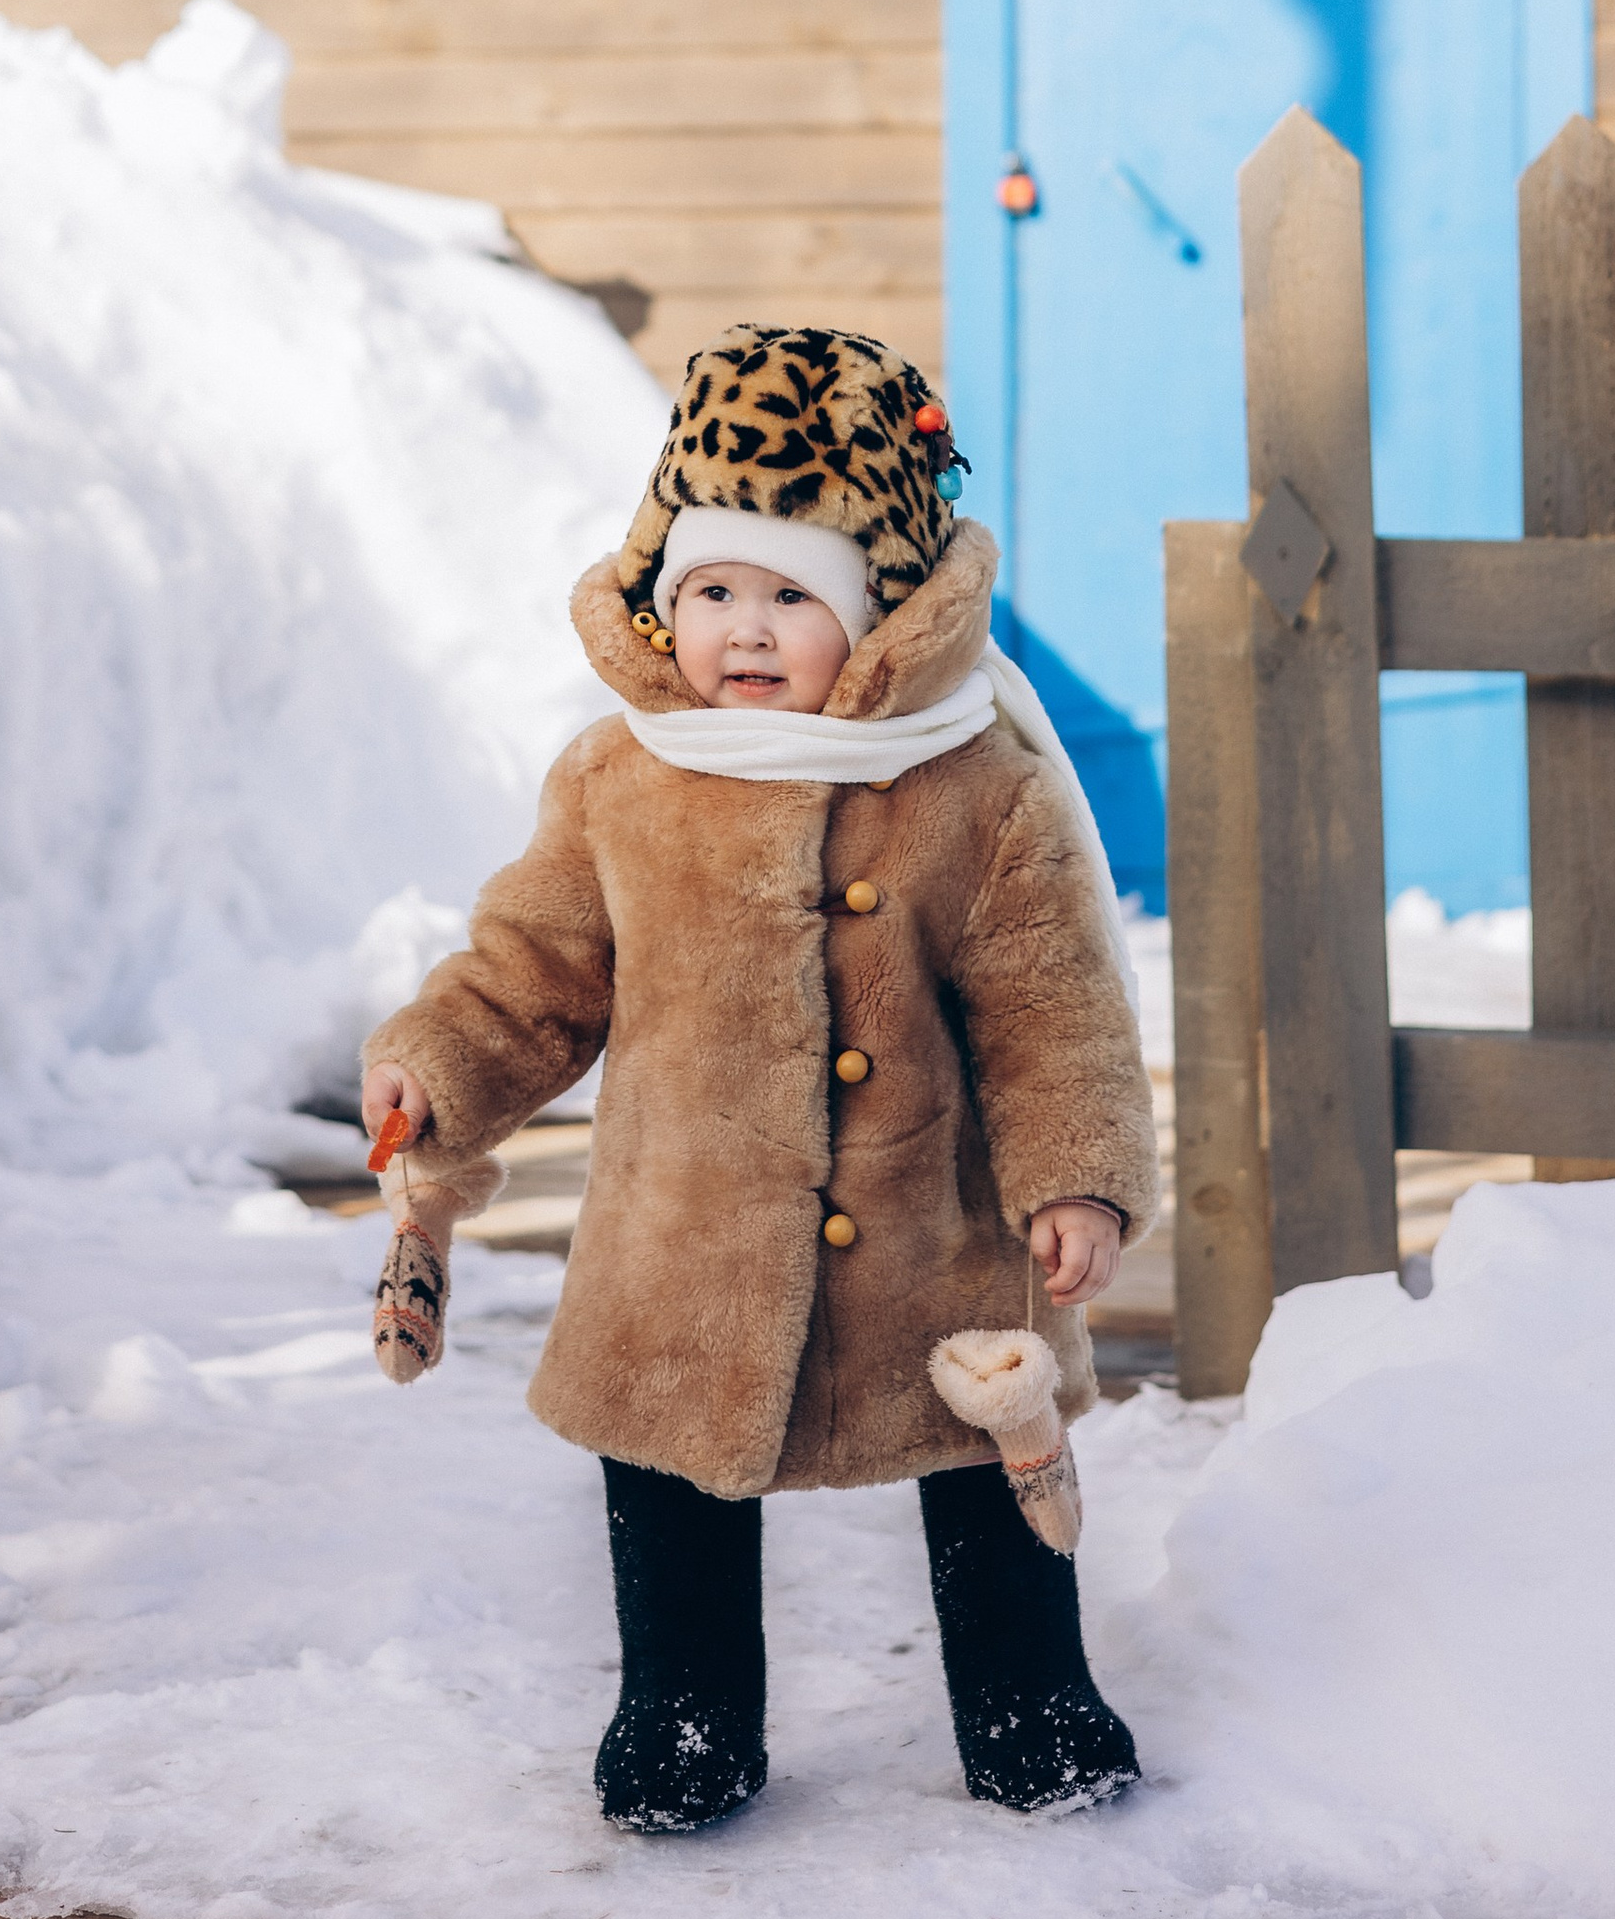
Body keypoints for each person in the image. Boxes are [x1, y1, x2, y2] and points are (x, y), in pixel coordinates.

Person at [361, 321, 1160, 1830]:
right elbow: (534, 970)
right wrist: (436, 1067)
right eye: (712, 590)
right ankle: (685, 1718)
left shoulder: (972, 780)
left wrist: (1077, 1178)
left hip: (930, 1222)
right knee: (672, 1461)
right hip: (685, 1225)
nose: (744, 628)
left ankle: (1029, 1705)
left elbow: (1051, 1005)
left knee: (982, 1446)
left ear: (875, 611)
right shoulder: (624, 778)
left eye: (793, 596)